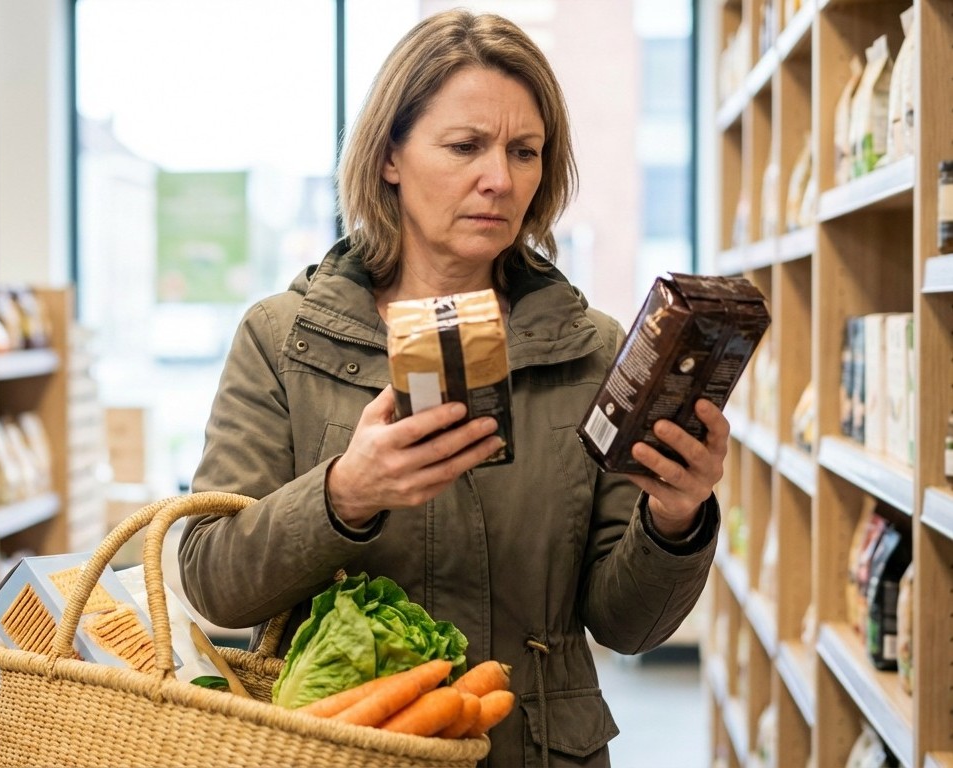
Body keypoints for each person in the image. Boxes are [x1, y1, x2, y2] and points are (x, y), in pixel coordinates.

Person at [177, 9, 727, 767]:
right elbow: (214, 582)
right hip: (343, 749)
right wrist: (344, 495)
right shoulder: (283, 339)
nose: (498, 179)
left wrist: (675, 519)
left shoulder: (595, 350)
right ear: (389, 157)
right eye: (465, 146)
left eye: (523, 151)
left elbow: (627, 626)